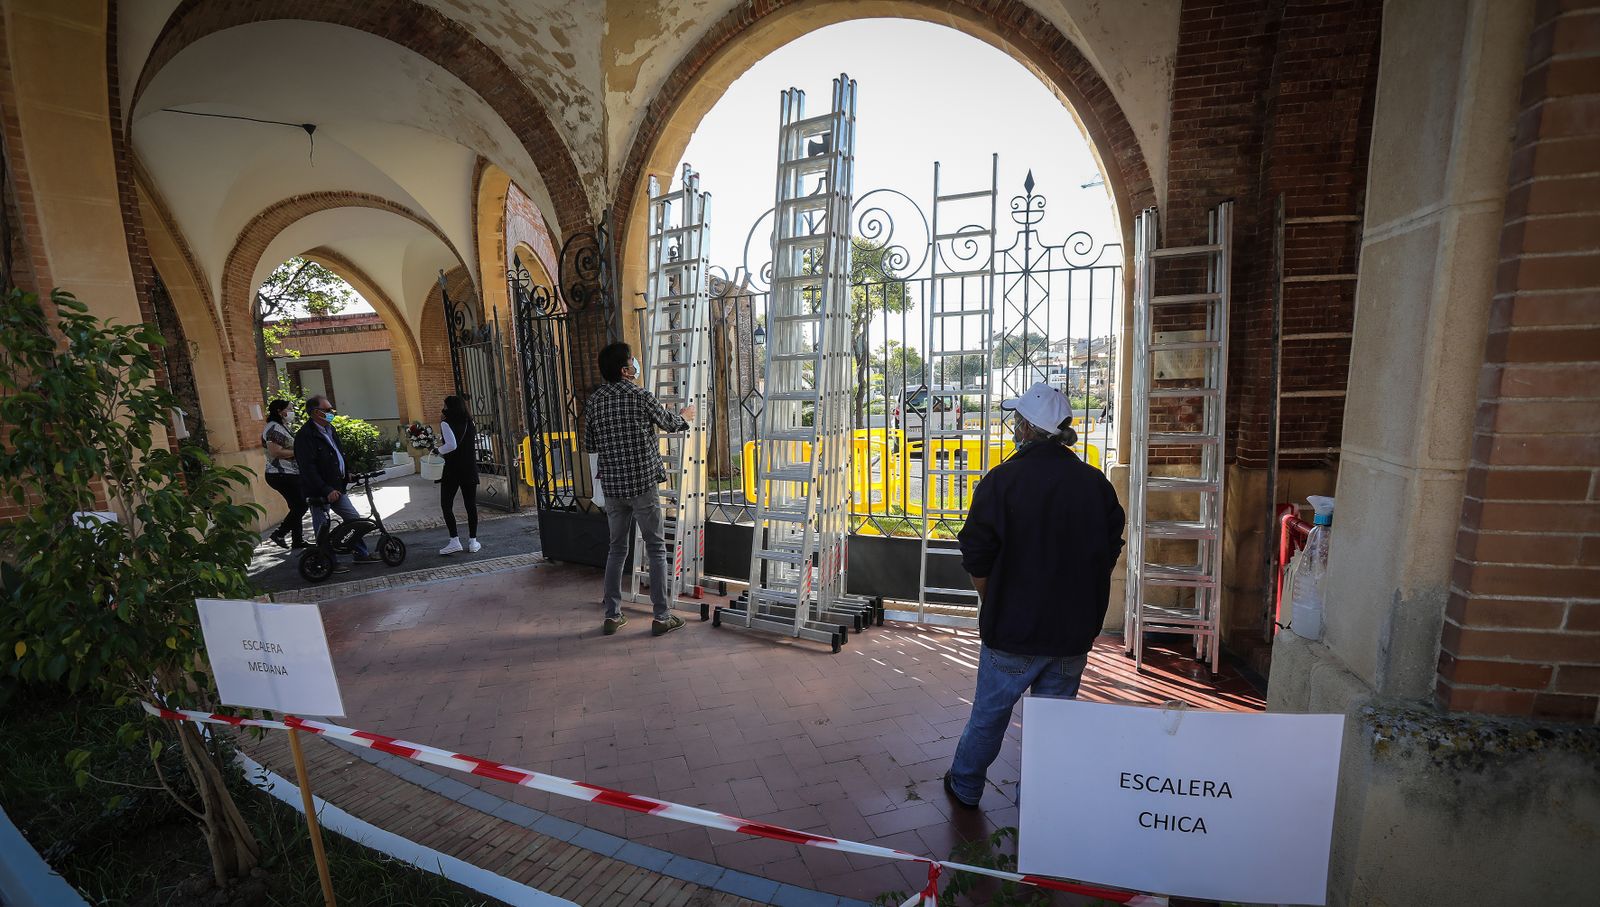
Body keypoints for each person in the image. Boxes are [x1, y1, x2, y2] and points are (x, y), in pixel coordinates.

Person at [943, 382, 1126, 810]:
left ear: (1026, 428)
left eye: (1016, 420)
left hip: (1013, 628)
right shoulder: (1095, 484)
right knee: (1053, 726)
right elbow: (1109, 550)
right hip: (1072, 632)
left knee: (989, 715)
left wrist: (994, 599)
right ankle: (1037, 802)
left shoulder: (1001, 481)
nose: (1013, 427)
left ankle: (966, 786)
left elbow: (976, 555)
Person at [584, 341, 695, 638]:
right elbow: (670, 423)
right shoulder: (640, 396)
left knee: (616, 549)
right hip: (643, 484)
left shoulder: (594, 402)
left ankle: (612, 615)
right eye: (632, 361)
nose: (635, 365)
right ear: (625, 370)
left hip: (613, 486)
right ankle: (661, 617)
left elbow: (590, 444)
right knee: (656, 548)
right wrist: (686, 415)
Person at [293, 394, 375, 574]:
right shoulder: (305, 436)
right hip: (319, 491)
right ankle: (328, 561)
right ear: (316, 412)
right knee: (322, 526)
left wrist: (347, 474)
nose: (332, 413)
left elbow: (338, 455)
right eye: (328, 410)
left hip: (337, 487)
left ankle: (360, 553)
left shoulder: (330, 429)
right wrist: (325, 489)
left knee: (353, 519)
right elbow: (308, 468)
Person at [433, 395, 481, 556]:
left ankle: (454, 540)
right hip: (469, 468)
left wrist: (438, 450)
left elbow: (451, 445)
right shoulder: (470, 422)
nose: (443, 408)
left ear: (450, 406)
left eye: (445, 405)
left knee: (446, 505)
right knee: (470, 505)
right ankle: (473, 541)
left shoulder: (446, 422)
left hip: (452, 469)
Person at [261, 399, 308, 549]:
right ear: (279, 411)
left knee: (296, 506)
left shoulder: (282, 426)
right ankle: (279, 534)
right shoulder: (274, 428)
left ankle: (297, 540)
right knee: (301, 506)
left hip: (288, 473)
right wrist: (298, 452)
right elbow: (275, 452)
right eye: (289, 409)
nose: (292, 412)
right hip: (281, 474)